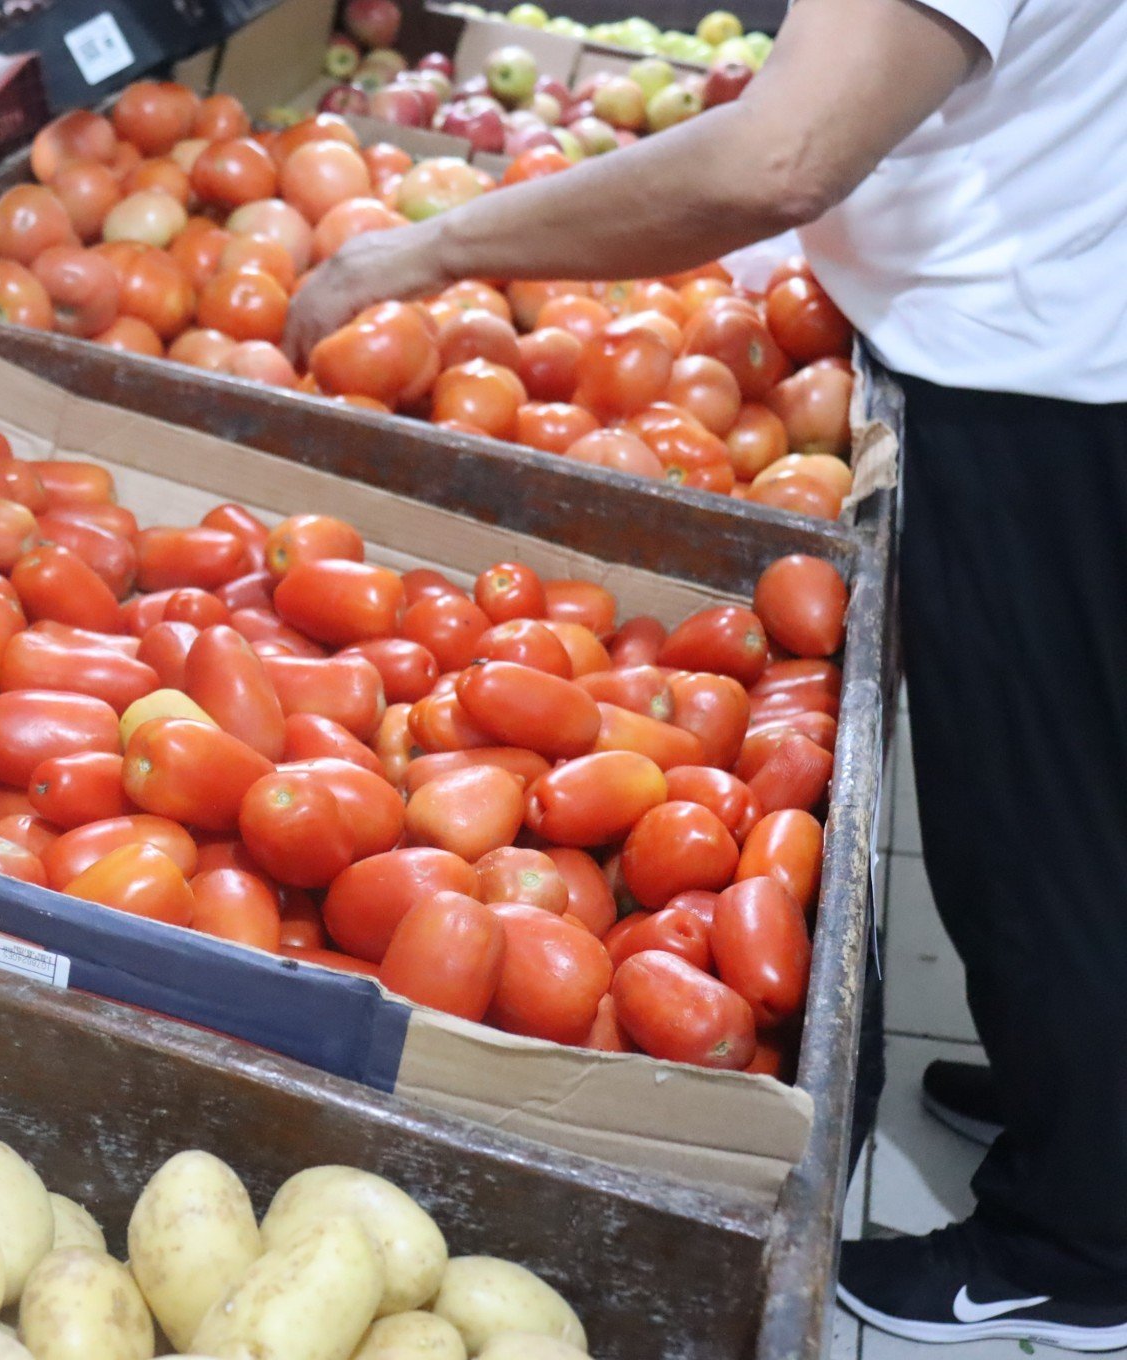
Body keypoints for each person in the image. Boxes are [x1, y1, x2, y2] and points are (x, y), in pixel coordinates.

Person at [286, 0, 1127, 1348]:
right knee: (1073, 789)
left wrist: (428, 251)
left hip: (1049, 384)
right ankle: (1080, 1105)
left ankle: (1080, 1245)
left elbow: (779, 156)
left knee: (1033, 821)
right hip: (1071, 335)